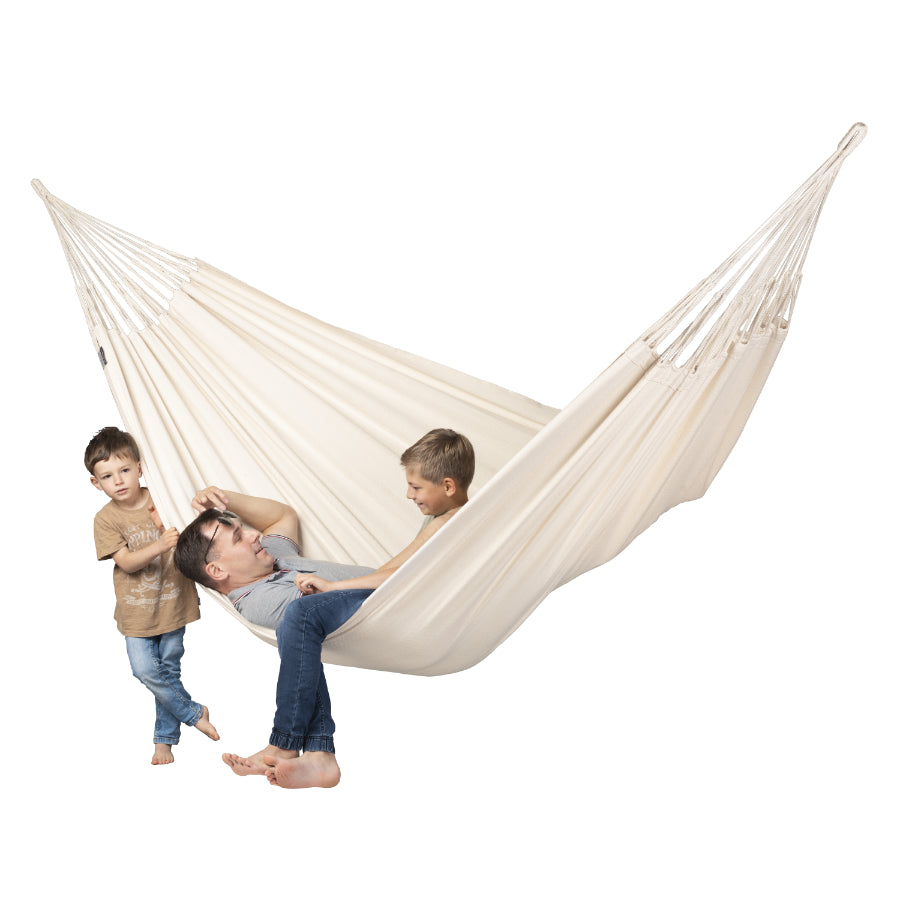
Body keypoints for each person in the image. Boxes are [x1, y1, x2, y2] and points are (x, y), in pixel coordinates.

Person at [173, 428, 474, 788]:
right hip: (384, 604)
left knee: (296, 624)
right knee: (297, 621)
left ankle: (306, 748)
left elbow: (282, 516)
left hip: (400, 592)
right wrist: (329, 588)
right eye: (239, 536)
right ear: (218, 571)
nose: (254, 534)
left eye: (244, 529)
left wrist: (227, 501)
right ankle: (305, 750)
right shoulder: (256, 599)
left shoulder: (276, 556)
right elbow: (309, 613)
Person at [85, 426, 219, 765]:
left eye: (125, 470)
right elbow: (127, 562)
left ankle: (164, 742)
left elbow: (195, 534)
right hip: (136, 611)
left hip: (173, 602)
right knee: (145, 670)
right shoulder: (105, 519)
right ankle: (193, 712)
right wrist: (159, 544)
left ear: (140, 468)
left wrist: (170, 523)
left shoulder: (163, 497)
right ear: (95, 483)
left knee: (167, 671)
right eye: (107, 476)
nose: (118, 481)